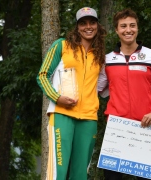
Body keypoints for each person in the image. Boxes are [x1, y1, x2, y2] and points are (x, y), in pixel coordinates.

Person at [97, 8, 151, 180]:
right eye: (123, 26)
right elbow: (96, 89)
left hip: (145, 128)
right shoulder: (107, 60)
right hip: (116, 129)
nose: (128, 30)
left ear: (137, 28)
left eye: (132, 25)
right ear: (116, 30)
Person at [37, 7, 106, 180]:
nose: (88, 26)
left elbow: (105, 86)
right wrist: (57, 98)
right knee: (58, 173)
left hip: (89, 118)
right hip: (62, 114)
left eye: (92, 22)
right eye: (83, 23)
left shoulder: (100, 55)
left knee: (80, 174)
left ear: (97, 25)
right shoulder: (61, 45)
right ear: (77, 27)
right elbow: (42, 75)